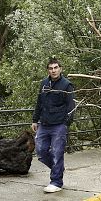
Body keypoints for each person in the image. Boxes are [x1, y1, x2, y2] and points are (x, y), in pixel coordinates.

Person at [31, 57, 75, 193]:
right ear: (48, 70)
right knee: (40, 152)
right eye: (51, 68)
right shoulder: (44, 84)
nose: (53, 70)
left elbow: (71, 106)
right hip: (44, 123)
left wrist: (65, 123)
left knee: (57, 153)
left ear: (60, 69)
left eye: (56, 67)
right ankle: (58, 169)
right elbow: (39, 103)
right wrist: (35, 119)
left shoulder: (67, 85)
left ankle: (56, 181)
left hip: (58, 125)